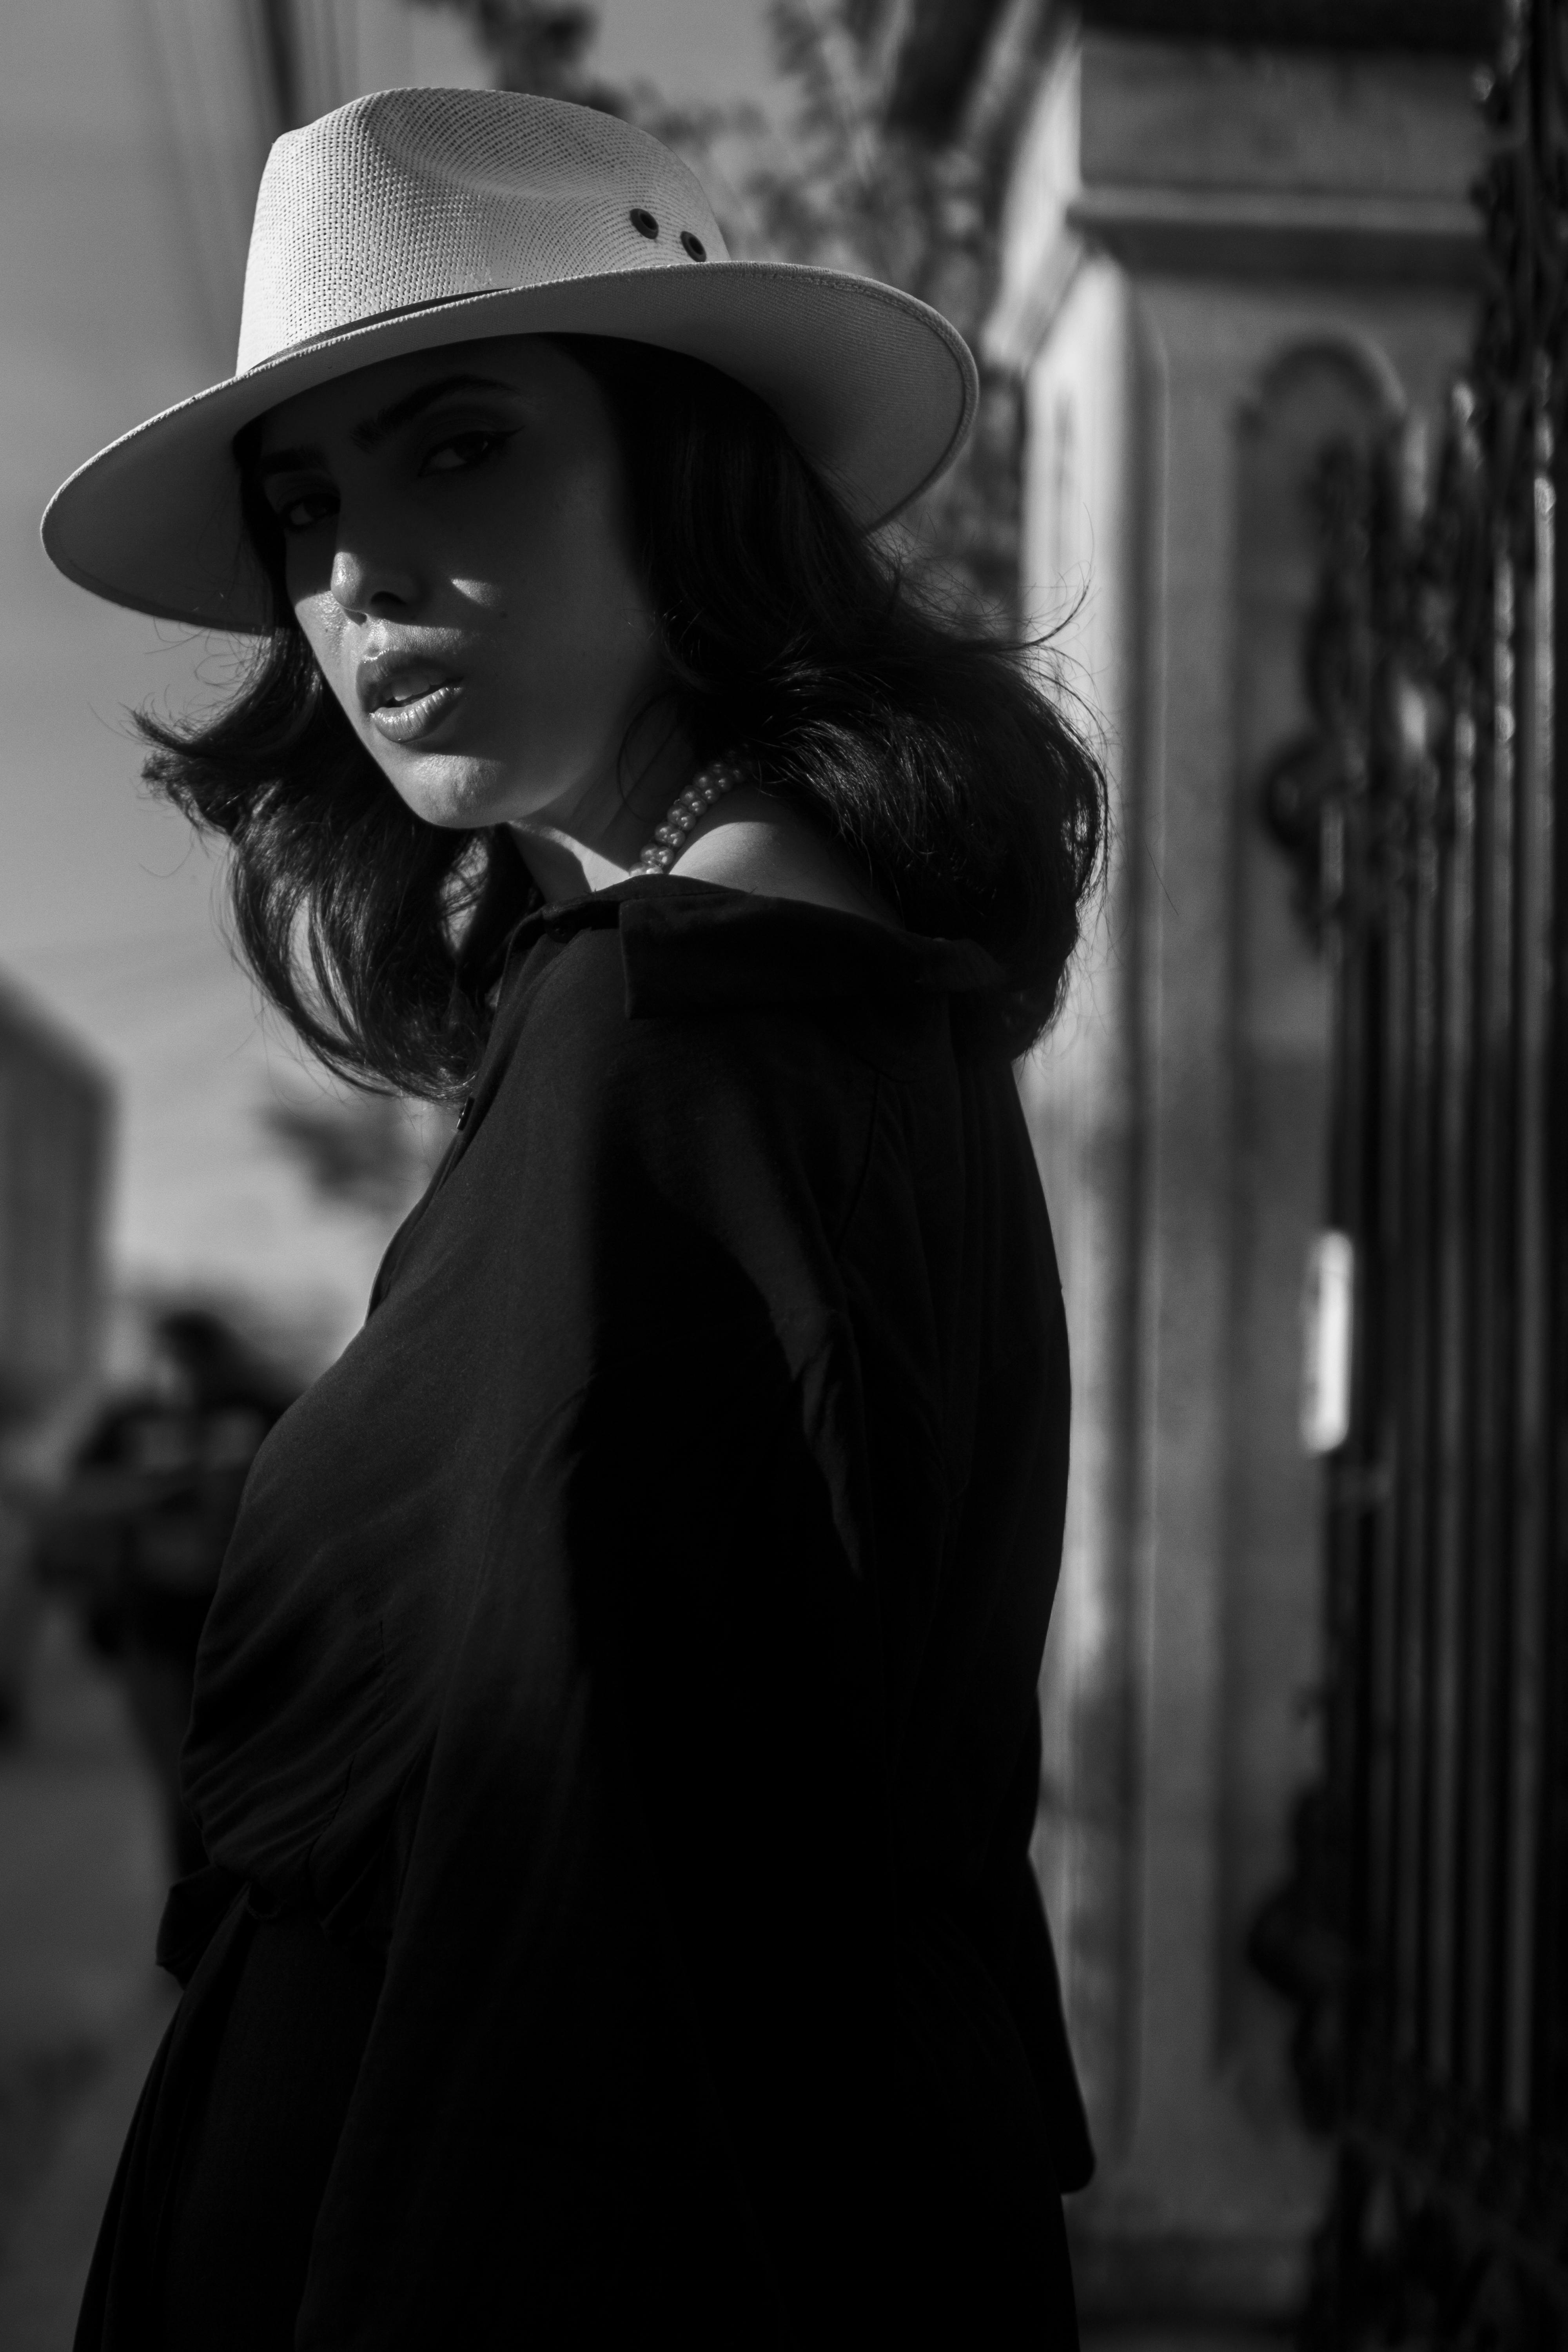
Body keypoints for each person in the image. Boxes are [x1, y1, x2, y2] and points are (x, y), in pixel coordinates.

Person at [43, 87, 1104, 2350]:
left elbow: (572, 1932)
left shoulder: (672, 1035)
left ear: (685, 465)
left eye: (456, 447)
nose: (356, 578)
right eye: (306, 507)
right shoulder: (826, 1011)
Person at [34, 1308, 299, 1878]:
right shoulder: (135, 1416)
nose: (179, 1374)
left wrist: (240, 1493)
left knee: (237, 1772)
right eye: (168, 1357)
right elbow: (75, 1497)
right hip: (154, 1620)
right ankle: (192, 1897)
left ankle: (223, 1891)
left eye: (190, 1357)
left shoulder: (266, 1409)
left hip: (247, 1622)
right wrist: (146, 1495)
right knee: (177, 1780)